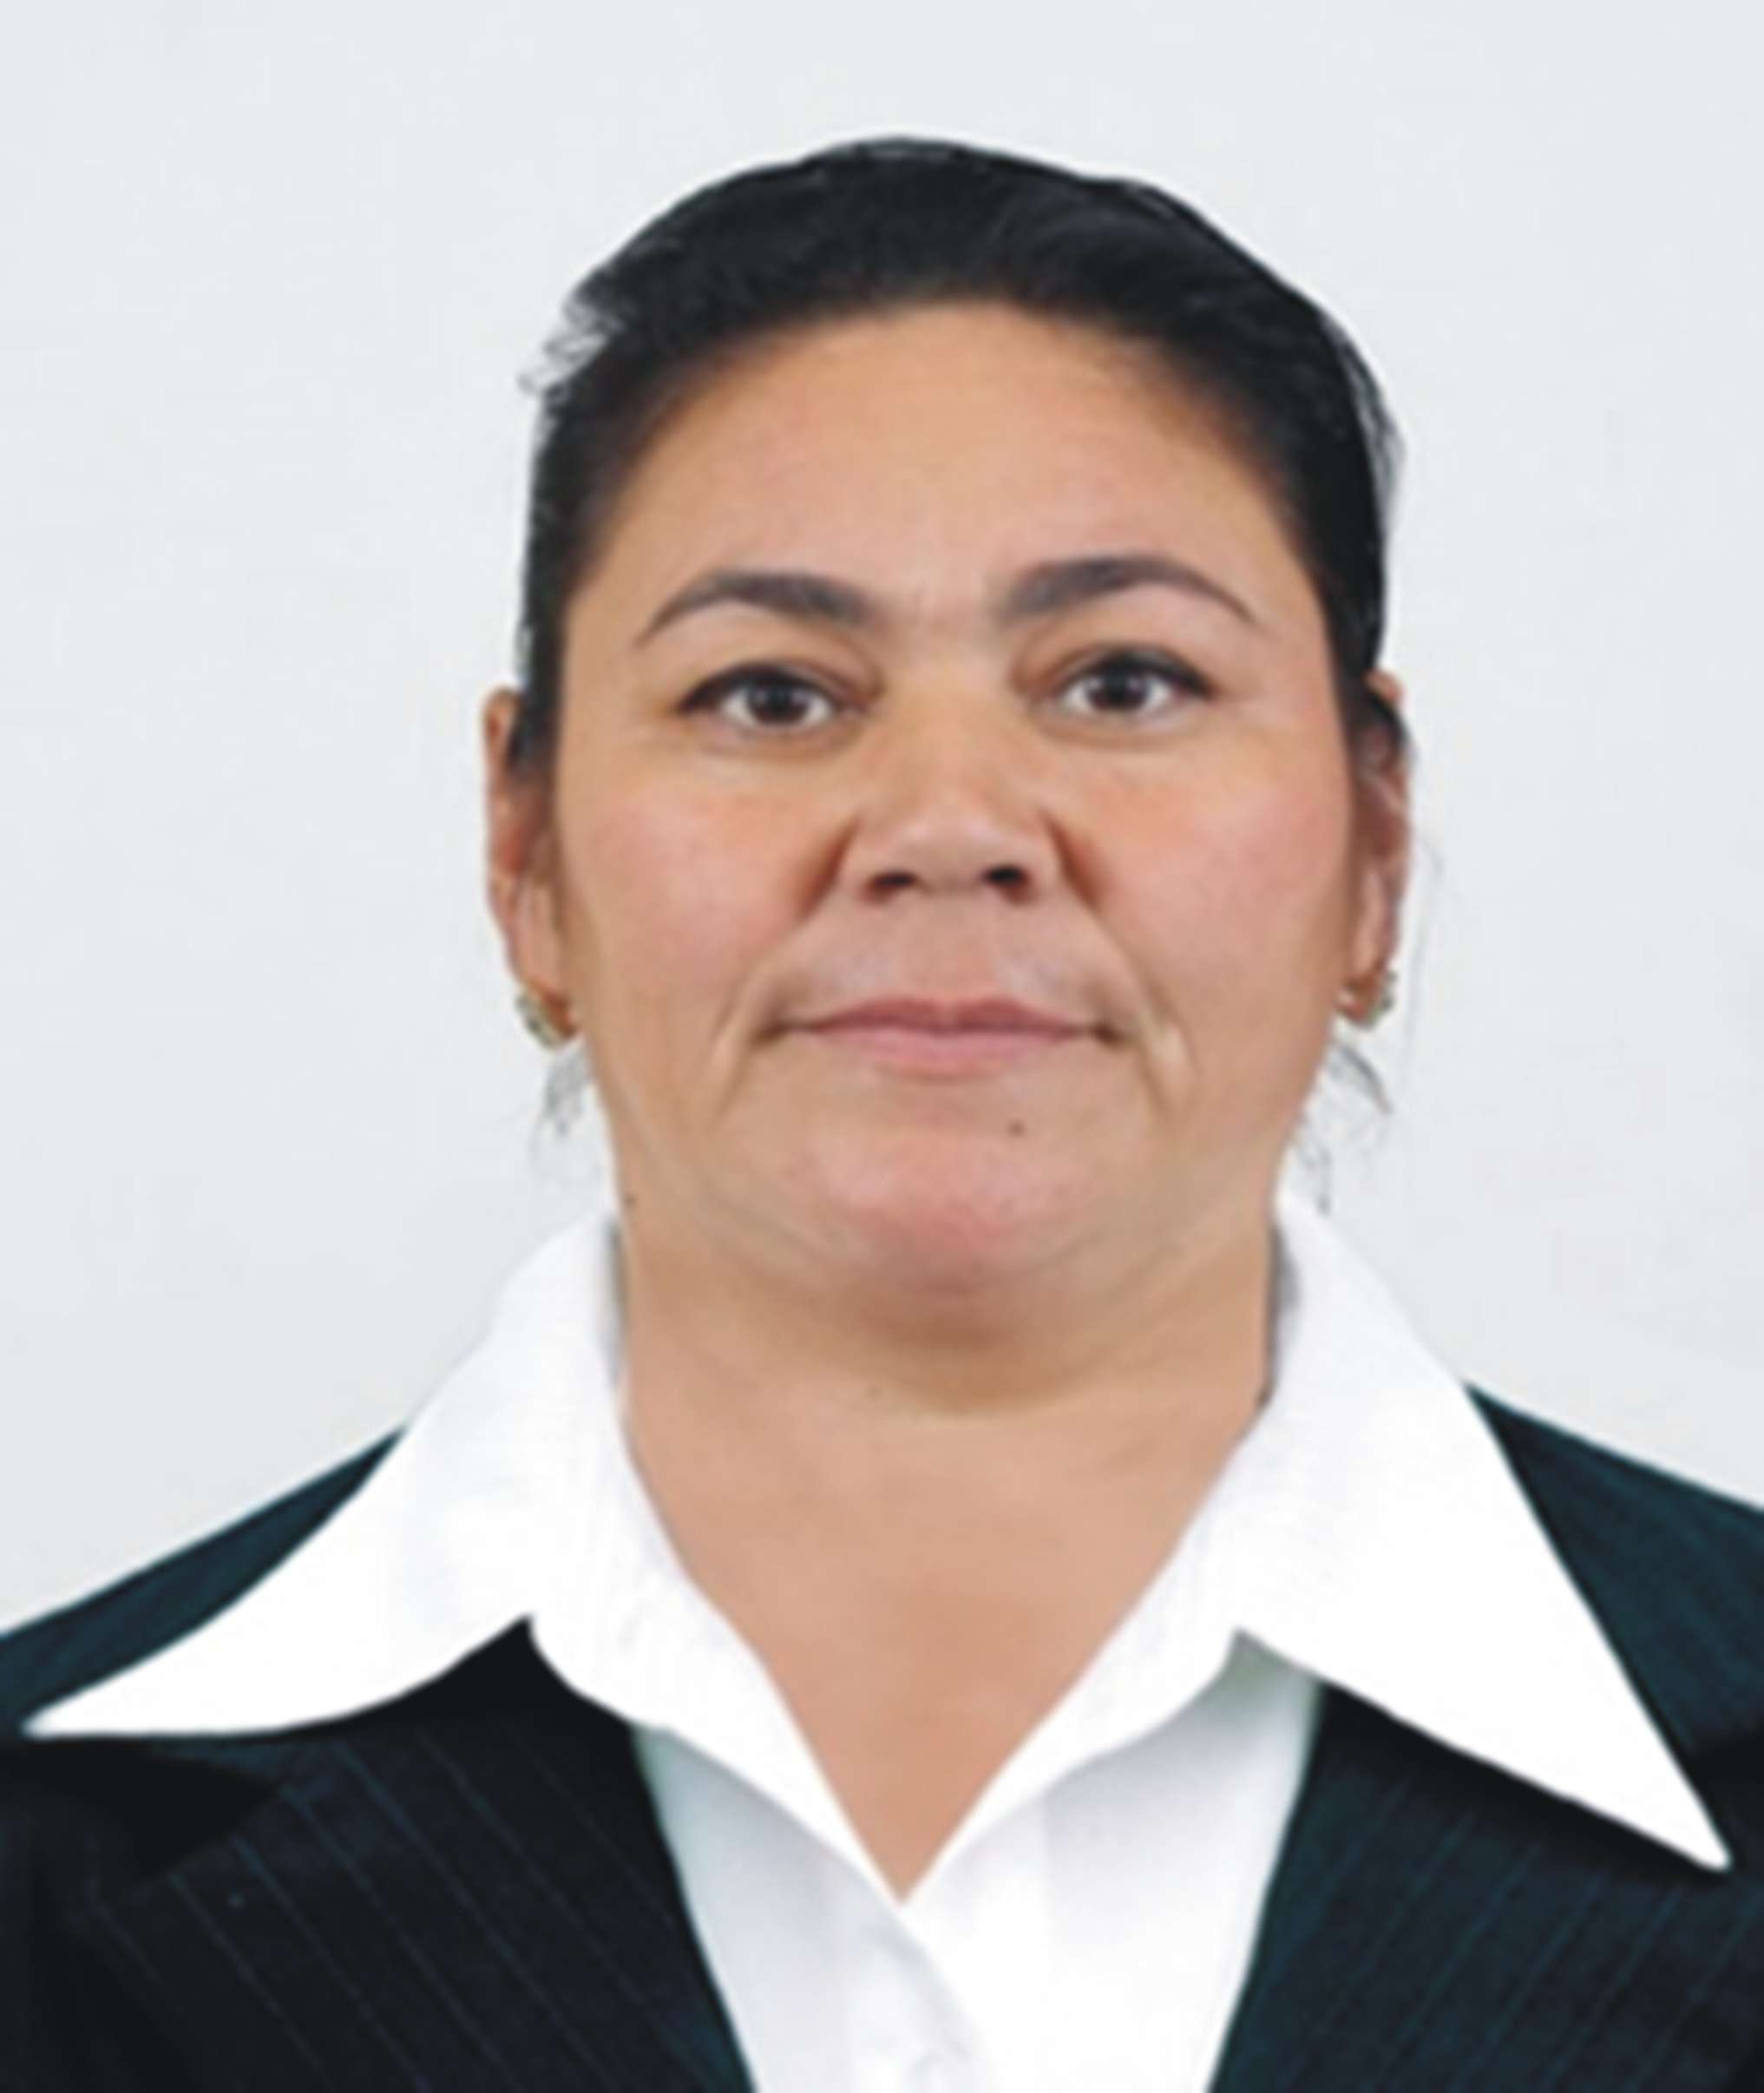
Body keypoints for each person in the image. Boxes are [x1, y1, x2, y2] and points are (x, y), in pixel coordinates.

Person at [3, 134, 1761, 2093]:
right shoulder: (51, 1838)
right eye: (772, 696)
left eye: (1123, 682)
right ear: (526, 851)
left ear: (1374, 847)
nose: (947, 826)